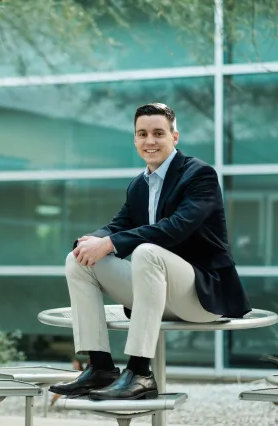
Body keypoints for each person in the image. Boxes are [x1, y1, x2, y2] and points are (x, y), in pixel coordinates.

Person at [49, 103, 251, 401]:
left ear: (175, 137)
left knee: (146, 251)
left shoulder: (200, 175)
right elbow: (119, 225)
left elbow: (176, 227)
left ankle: (140, 372)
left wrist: (111, 243)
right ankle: (101, 367)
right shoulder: (138, 186)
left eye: (158, 133)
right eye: (142, 134)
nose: (150, 141)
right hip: (156, 293)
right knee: (78, 260)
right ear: (135, 140)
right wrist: (94, 240)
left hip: (200, 296)